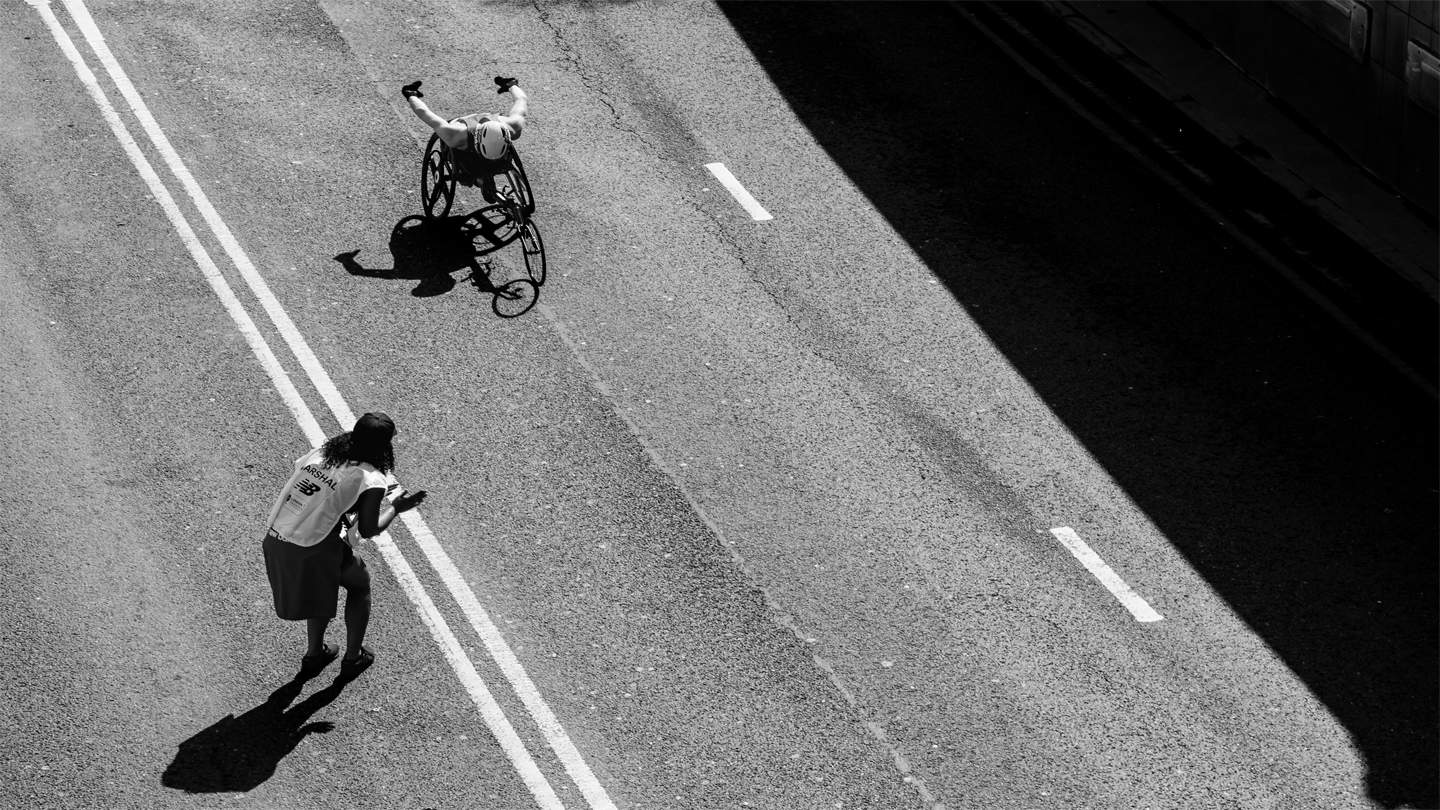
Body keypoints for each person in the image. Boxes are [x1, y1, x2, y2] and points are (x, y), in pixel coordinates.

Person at [262, 412, 427, 677]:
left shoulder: (321, 454)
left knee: (320, 594)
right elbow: (369, 529)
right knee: (360, 584)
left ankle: (315, 654)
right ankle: (353, 658)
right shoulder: (370, 478)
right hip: (313, 546)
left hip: (279, 535)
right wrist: (396, 508)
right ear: (384, 446)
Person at [403, 76, 528, 204]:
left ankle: (485, 177)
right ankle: (480, 179)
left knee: (500, 160)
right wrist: (411, 95)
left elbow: (521, 100)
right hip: (463, 126)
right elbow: (424, 112)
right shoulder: (455, 135)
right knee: (465, 174)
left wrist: (511, 85)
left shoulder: (513, 126)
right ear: (477, 141)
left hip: (491, 122)